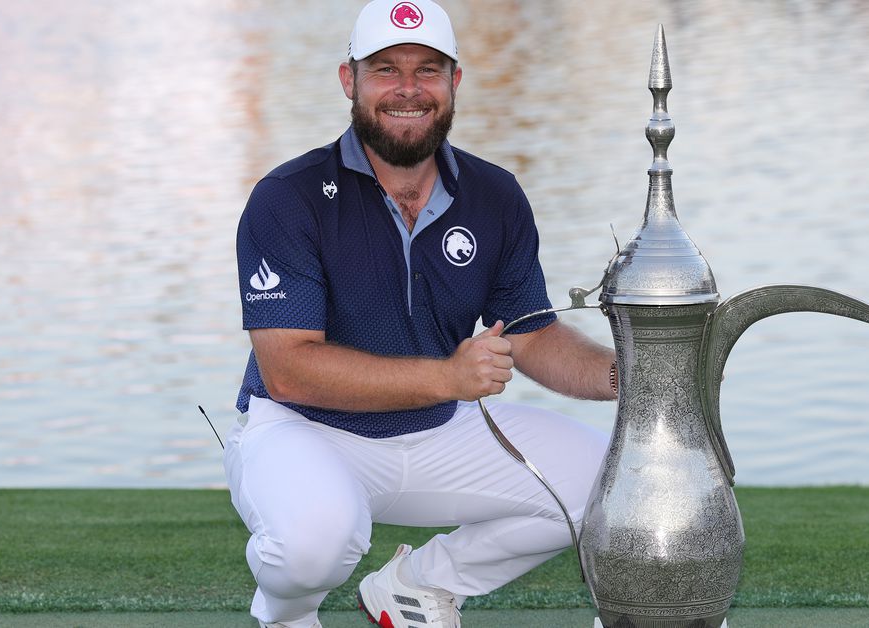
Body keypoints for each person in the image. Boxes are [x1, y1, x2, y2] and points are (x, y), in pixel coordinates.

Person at [224, 1, 617, 626]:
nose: (408, 89)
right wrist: (447, 379)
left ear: (454, 83)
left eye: (428, 70)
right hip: (304, 427)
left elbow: (532, 334)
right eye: (385, 69)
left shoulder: (494, 194)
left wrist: (637, 378)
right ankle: (285, 613)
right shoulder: (288, 196)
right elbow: (288, 371)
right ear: (349, 81)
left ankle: (414, 586)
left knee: (621, 484)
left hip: (439, 427)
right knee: (313, 544)